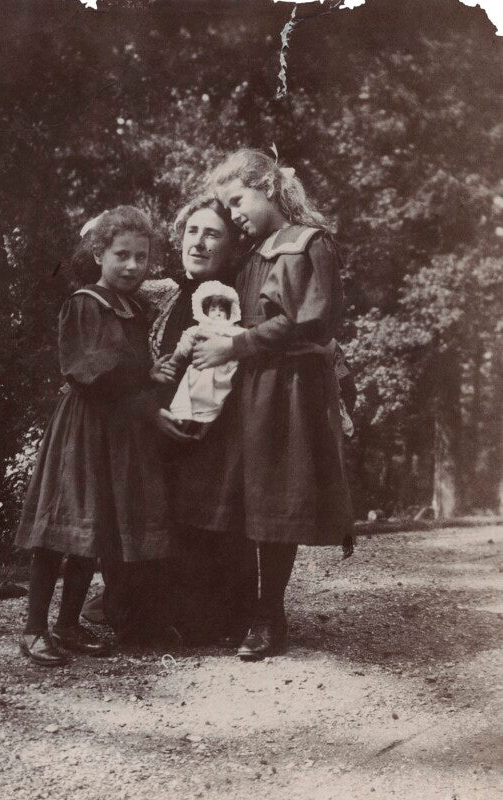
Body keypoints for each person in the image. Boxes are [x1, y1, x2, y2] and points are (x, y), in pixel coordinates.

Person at [192, 149, 354, 660]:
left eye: (238, 200)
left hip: (288, 388)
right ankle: (238, 608)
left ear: (266, 186)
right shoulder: (254, 253)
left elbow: (307, 321)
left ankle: (270, 614)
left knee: (277, 498)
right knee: (245, 498)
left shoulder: (308, 243)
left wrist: (236, 345)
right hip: (250, 385)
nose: (234, 213)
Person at [14, 205, 184, 666]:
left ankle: (68, 624)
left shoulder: (133, 307)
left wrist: (155, 374)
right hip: (86, 429)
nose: (132, 266)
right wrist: (147, 382)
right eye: (121, 255)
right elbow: (91, 373)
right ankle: (33, 629)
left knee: (96, 531)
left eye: (141, 258)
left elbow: (132, 370)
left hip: (119, 431)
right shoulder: (87, 302)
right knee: (61, 530)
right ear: (98, 253)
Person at [144, 196, 258, 646]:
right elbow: (135, 361)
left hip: (223, 430)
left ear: (231, 245)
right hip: (158, 426)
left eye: (212, 233)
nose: (199, 241)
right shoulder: (162, 294)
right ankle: (162, 613)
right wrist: (150, 413)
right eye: (192, 231)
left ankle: (224, 620)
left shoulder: (241, 297)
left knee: (217, 516)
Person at [167, 280, 242, 438]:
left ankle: (202, 432)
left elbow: (243, 337)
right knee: (190, 399)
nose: (218, 313)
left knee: (219, 403)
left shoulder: (232, 330)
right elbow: (185, 344)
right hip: (201, 372)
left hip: (224, 374)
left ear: (230, 313)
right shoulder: (199, 328)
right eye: (213, 309)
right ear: (205, 312)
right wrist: (175, 360)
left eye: (222, 309)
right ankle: (183, 427)